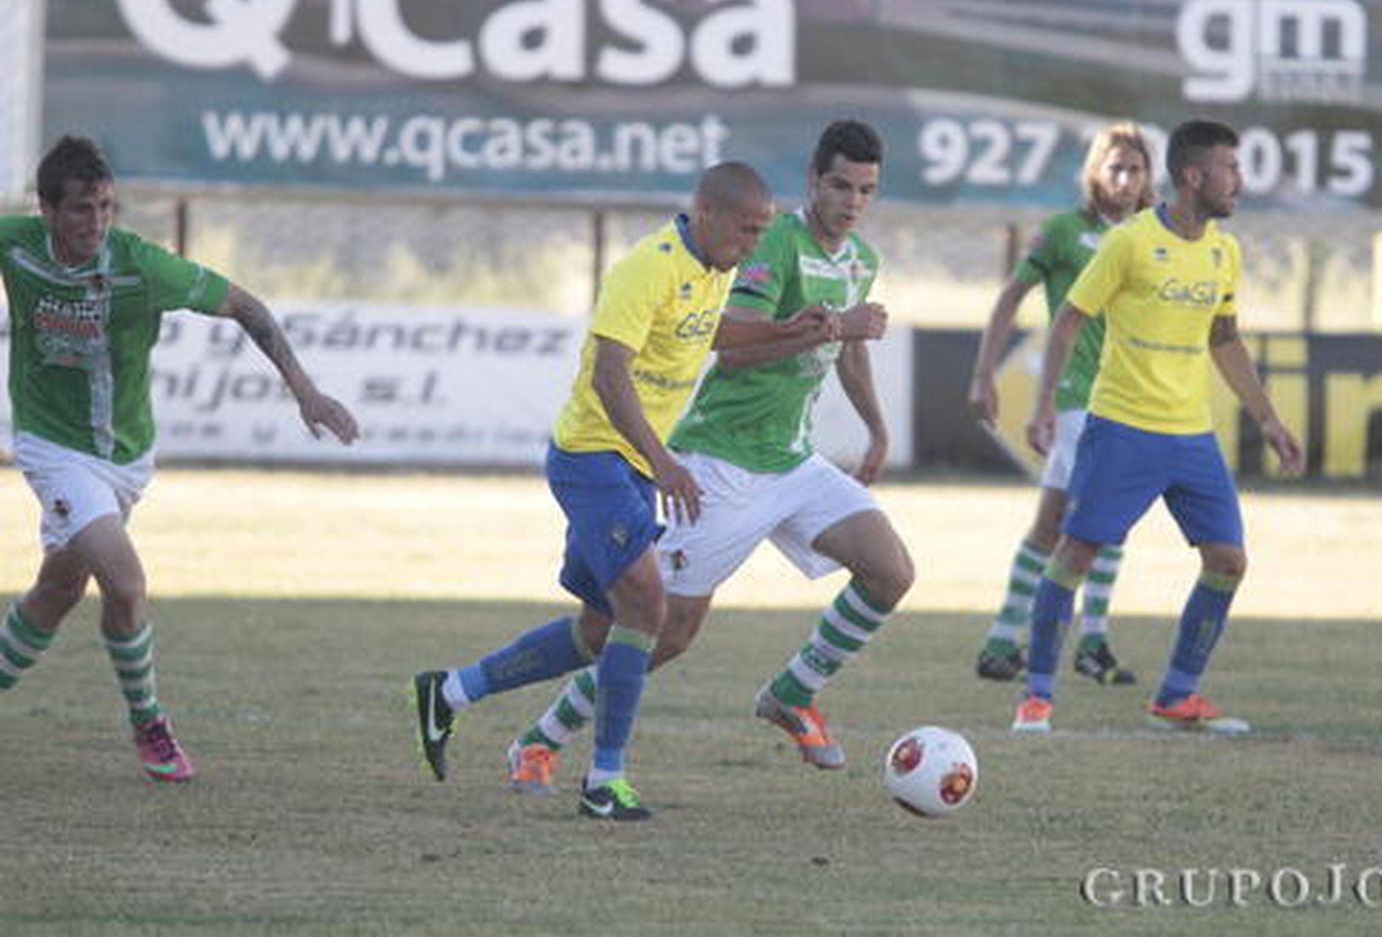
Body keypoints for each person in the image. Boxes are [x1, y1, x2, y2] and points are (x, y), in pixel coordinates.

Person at [504, 119, 913, 794]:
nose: (852, 201)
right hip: (722, 462)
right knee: (662, 630)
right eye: (840, 185)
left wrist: (875, 427)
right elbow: (733, 345)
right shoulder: (769, 242)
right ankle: (540, 741)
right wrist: (839, 325)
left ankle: (793, 692)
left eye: (866, 190)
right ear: (813, 182)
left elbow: (847, 348)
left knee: (889, 570)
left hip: (793, 460)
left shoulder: (860, 259)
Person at [411, 161, 797, 821]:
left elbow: (714, 335)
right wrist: (664, 460)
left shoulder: (716, 268)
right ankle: (603, 781)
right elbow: (608, 378)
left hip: (630, 468)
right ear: (705, 212)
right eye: (748, 228)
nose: (755, 243)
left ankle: (448, 693)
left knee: (600, 629)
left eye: (763, 230)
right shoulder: (649, 266)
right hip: (593, 457)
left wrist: (794, 330)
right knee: (649, 606)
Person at [0, 135, 360, 782]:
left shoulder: (141, 267)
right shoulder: (15, 244)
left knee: (55, 592)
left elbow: (245, 306)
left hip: (127, 455)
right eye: (82, 208)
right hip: (53, 448)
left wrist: (304, 390)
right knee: (128, 583)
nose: (97, 221)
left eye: (107, 206)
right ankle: (150, 725)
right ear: (47, 210)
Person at [1013, 119, 1304, 735]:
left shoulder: (1225, 251)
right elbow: (1067, 322)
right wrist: (1043, 407)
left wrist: (1269, 419)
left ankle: (1177, 696)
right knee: (1076, 554)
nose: (1240, 183)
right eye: (1231, 169)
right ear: (1195, 176)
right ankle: (1036, 696)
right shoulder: (1130, 242)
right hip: (1121, 428)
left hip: (1191, 436)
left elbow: (1224, 340)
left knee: (1228, 560)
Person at [968, 122, 1156, 687]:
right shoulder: (1063, 232)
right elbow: (1010, 297)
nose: (1124, 179)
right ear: (1095, 172)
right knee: (1094, 520)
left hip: (1131, 396)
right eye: (1115, 167)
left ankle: (1007, 642)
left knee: (1061, 522)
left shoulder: (1154, 235)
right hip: (1077, 398)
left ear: (1150, 177)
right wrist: (985, 374)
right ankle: (1086, 642)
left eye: (1135, 169)